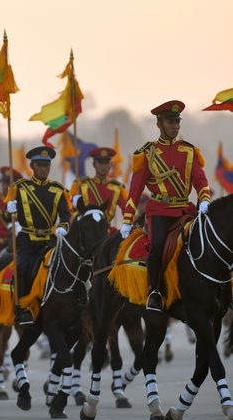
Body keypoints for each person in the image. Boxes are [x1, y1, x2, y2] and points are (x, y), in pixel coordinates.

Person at [121, 100, 210, 312]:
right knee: (157, 245)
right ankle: (155, 292)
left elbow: (200, 180)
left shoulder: (189, 151)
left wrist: (205, 199)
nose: (175, 126)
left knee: (210, 242)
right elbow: (134, 191)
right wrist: (126, 221)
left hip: (185, 210)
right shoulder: (147, 153)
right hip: (159, 211)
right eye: (170, 122)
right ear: (159, 124)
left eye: (177, 122)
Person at [4, 146, 71, 326]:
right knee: (22, 268)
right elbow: (5, 216)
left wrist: (64, 226)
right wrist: (8, 210)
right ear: (32, 166)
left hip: (50, 240)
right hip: (27, 241)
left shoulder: (58, 190)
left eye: (46, 165)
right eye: (40, 165)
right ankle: (22, 309)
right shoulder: (19, 188)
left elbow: (66, 214)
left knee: (69, 267)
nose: (43, 169)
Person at [69, 147, 128, 230]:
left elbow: (127, 210)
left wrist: (128, 225)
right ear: (94, 164)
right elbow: (69, 210)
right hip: (85, 230)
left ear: (111, 164)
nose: (103, 166)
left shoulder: (117, 187)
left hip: (106, 230)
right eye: (100, 163)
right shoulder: (81, 185)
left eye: (106, 163)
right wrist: (74, 205)